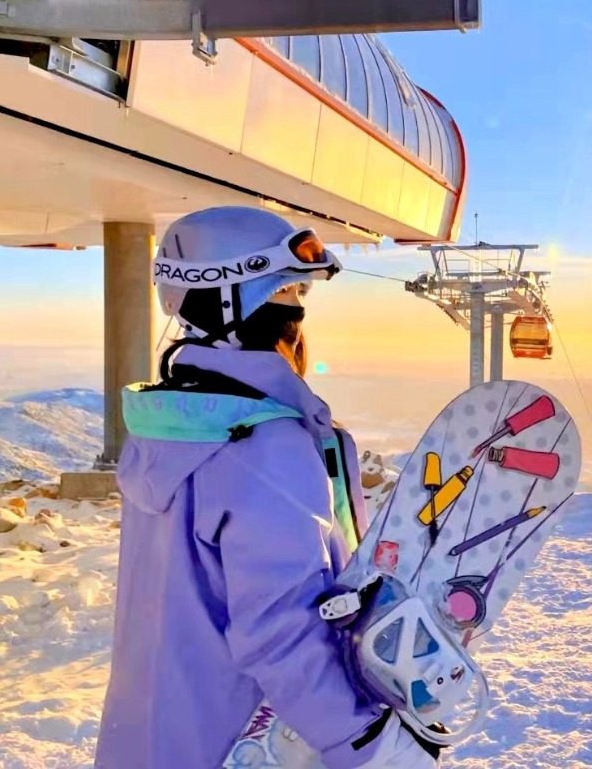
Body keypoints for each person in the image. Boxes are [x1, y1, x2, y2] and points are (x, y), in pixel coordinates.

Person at [94, 207, 439, 768]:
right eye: (289, 292)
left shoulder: (167, 426)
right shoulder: (264, 448)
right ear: (235, 304)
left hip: (154, 736)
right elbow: (282, 629)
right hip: (243, 744)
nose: (297, 314)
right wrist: (366, 742)